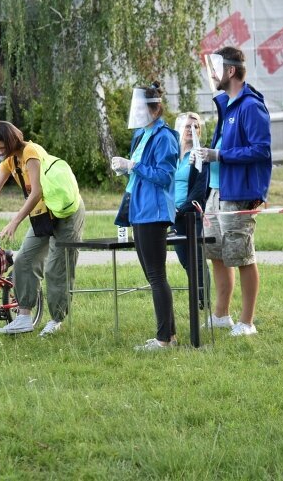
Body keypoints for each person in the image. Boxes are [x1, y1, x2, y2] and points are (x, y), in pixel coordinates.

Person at [0, 121, 86, 337]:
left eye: (2, 147)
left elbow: (36, 191)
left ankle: (56, 320)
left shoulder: (30, 152)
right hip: (43, 216)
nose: (0, 152)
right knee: (24, 261)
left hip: (66, 214)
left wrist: (15, 221)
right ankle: (23, 318)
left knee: (56, 269)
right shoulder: (9, 161)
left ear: (12, 141)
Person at [195, 46, 272, 336]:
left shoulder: (251, 106)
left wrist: (220, 155)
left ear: (230, 71)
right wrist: (207, 155)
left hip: (239, 192)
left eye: (215, 68)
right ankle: (221, 315)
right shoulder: (227, 104)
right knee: (215, 251)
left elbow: (261, 150)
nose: (212, 74)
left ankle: (247, 322)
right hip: (217, 190)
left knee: (242, 255)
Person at [112, 83, 179, 351]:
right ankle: (169, 336)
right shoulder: (141, 134)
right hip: (139, 209)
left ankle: (164, 339)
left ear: (155, 108)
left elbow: (164, 177)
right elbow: (141, 173)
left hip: (154, 212)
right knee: (154, 275)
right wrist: (126, 169)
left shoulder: (165, 137)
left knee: (156, 275)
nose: (137, 113)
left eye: (141, 108)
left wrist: (134, 166)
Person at [172, 112, 210, 309]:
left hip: (190, 214)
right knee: (186, 261)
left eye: (195, 127)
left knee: (197, 261)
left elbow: (199, 190)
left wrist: (181, 209)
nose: (191, 130)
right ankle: (198, 299)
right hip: (171, 214)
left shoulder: (200, 155)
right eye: (187, 126)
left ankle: (204, 303)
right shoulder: (171, 154)